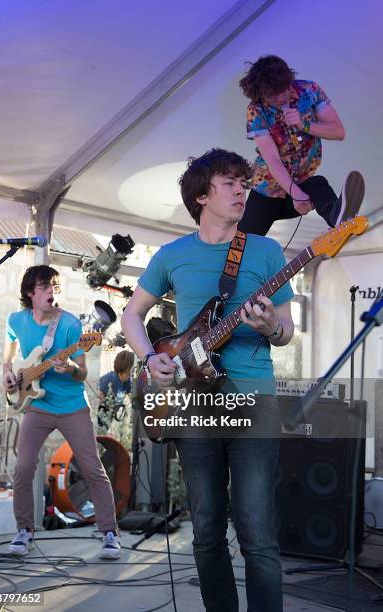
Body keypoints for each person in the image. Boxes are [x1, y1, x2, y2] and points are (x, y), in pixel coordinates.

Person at [121, 148, 295, 611]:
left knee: (258, 532)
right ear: (202, 195)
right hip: (194, 403)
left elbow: (286, 329)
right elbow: (132, 315)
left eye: (245, 182)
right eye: (230, 182)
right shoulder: (172, 255)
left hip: (253, 402)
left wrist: (268, 327)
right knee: (206, 529)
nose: (243, 190)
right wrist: (147, 359)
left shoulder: (265, 250)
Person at [2, 265, 120, 560]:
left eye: (55, 286)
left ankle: (109, 533)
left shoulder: (69, 325)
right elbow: (10, 348)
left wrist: (69, 368)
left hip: (71, 407)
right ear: (30, 292)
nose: (51, 292)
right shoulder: (16, 320)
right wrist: (7, 370)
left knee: (93, 468)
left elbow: (82, 373)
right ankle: (24, 531)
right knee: (24, 467)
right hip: (37, 406)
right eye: (45, 286)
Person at [238, 54, 365, 236]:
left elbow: (338, 132)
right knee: (241, 244)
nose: (281, 97)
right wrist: (295, 194)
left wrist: (304, 124)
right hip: (267, 190)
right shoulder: (256, 111)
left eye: (284, 89)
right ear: (261, 94)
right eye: (273, 95)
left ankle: (338, 219)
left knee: (318, 184)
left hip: (302, 184)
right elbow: (272, 159)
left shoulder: (309, 91)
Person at [97, 349, 134, 433]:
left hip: (108, 420)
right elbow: (96, 403)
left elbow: (134, 397)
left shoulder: (127, 381)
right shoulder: (110, 379)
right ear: (128, 367)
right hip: (99, 419)